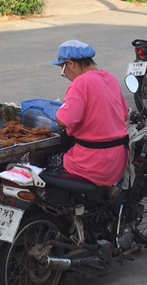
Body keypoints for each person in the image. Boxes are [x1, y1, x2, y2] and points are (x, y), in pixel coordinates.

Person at [51, 40, 129, 188]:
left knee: (49, 163)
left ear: (71, 64)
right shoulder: (109, 78)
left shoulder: (81, 83)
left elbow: (63, 121)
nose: (65, 75)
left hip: (93, 163)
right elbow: (124, 114)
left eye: (63, 69)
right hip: (117, 159)